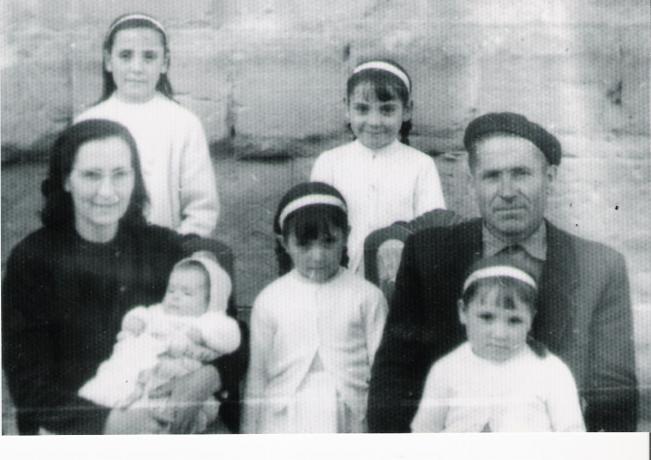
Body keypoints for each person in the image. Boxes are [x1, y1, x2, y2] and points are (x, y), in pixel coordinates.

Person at [368, 112, 638, 432]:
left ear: (550, 177)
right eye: (492, 176)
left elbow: (614, 394)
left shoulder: (600, 266)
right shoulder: (428, 254)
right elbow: (393, 378)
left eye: (521, 173)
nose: (507, 191)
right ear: (472, 184)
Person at [1, 119, 243, 435]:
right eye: (91, 175)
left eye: (120, 174)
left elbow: (234, 331)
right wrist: (108, 423)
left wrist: (207, 377)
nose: (107, 191)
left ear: (134, 178)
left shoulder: (162, 247)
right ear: (66, 180)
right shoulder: (32, 260)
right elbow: (28, 384)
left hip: (161, 422)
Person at [242, 182, 388, 433]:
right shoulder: (270, 300)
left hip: (349, 417)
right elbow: (257, 376)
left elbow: (382, 370)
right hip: (283, 419)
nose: (318, 256)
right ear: (284, 243)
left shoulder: (367, 296)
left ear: (346, 236)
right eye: (304, 245)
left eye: (328, 241)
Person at [75, 13, 219, 238]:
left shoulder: (183, 123)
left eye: (149, 56)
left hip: (167, 250)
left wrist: (176, 249)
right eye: (125, 55)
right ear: (108, 60)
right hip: (99, 251)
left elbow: (201, 209)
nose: (137, 68)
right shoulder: (86, 123)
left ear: (165, 63)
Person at [411, 255, 585, 432]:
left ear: (531, 319)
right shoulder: (446, 370)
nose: (500, 334)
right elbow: (424, 434)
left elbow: (572, 435)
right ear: (463, 311)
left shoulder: (551, 371)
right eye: (486, 317)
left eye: (514, 320)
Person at [78, 251, 241, 433]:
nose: (175, 296)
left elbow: (231, 339)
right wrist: (135, 320)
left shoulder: (211, 320)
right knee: (111, 386)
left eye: (187, 293)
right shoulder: (158, 311)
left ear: (211, 301)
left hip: (175, 378)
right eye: (171, 290)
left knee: (163, 414)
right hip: (137, 369)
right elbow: (142, 312)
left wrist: (204, 335)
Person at [311, 59, 446, 273]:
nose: (374, 121)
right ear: (347, 108)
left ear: (407, 110)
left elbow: (433, 230)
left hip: (402, 277)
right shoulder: (329, 163)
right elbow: (316, 229)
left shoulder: (421, 165)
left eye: (387, 110)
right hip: (341, 277)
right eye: (362, 109)